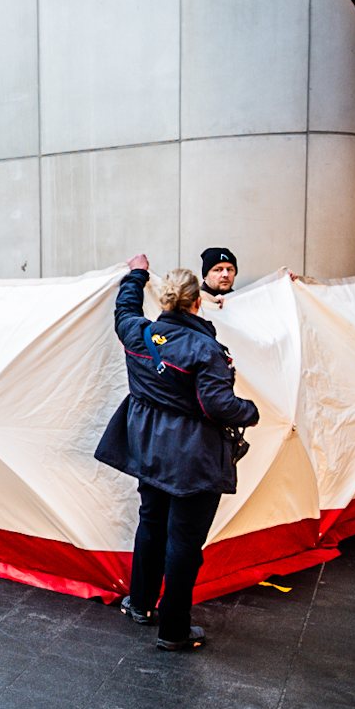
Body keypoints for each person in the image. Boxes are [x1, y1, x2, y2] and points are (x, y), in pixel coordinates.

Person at [95, 256, 261, 649]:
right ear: (196, 302)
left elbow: (125, 308)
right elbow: (218, 406)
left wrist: (136, 273)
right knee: (184, 541)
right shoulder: (206, 350)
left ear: (167, 301)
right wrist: (251, 412)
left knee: (151, 523)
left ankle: (139, 604)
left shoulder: (139, 333)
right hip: (192, 457)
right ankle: (173, 630)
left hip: (148, 447)